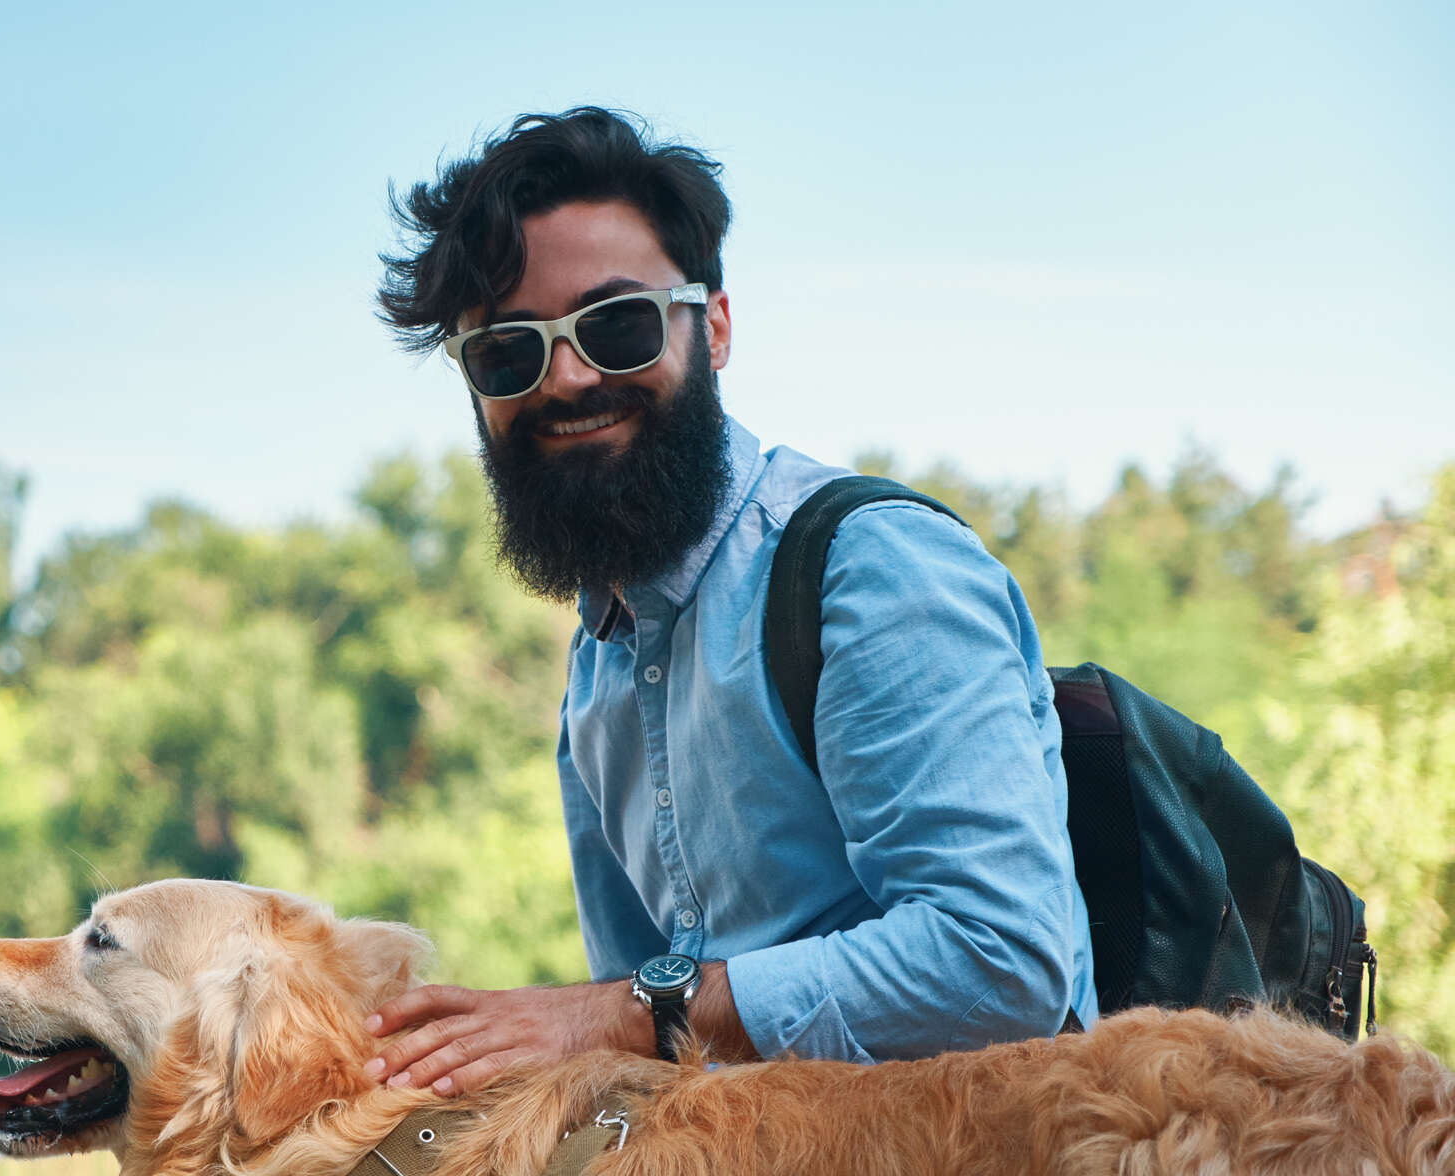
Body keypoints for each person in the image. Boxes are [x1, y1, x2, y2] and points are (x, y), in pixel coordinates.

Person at [361, 107, 1096, 1096]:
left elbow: (999, 959)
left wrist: (614, 1011)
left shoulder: (867, 567)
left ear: (711, 327)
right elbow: (642, 1058)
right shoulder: (597, 665)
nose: (567, 377)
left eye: (614, 326)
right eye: (508, 354)